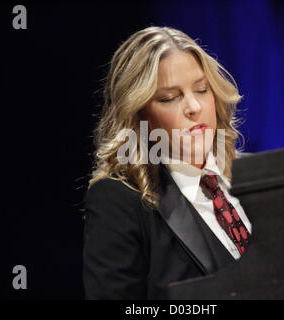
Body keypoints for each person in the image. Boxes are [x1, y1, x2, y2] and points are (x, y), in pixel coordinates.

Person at [82, 26, 252, 299]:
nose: (193, 107)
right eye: (169, 98)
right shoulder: (119, 199)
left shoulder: (256, 174)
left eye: (201, 89)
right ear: (139, 115)